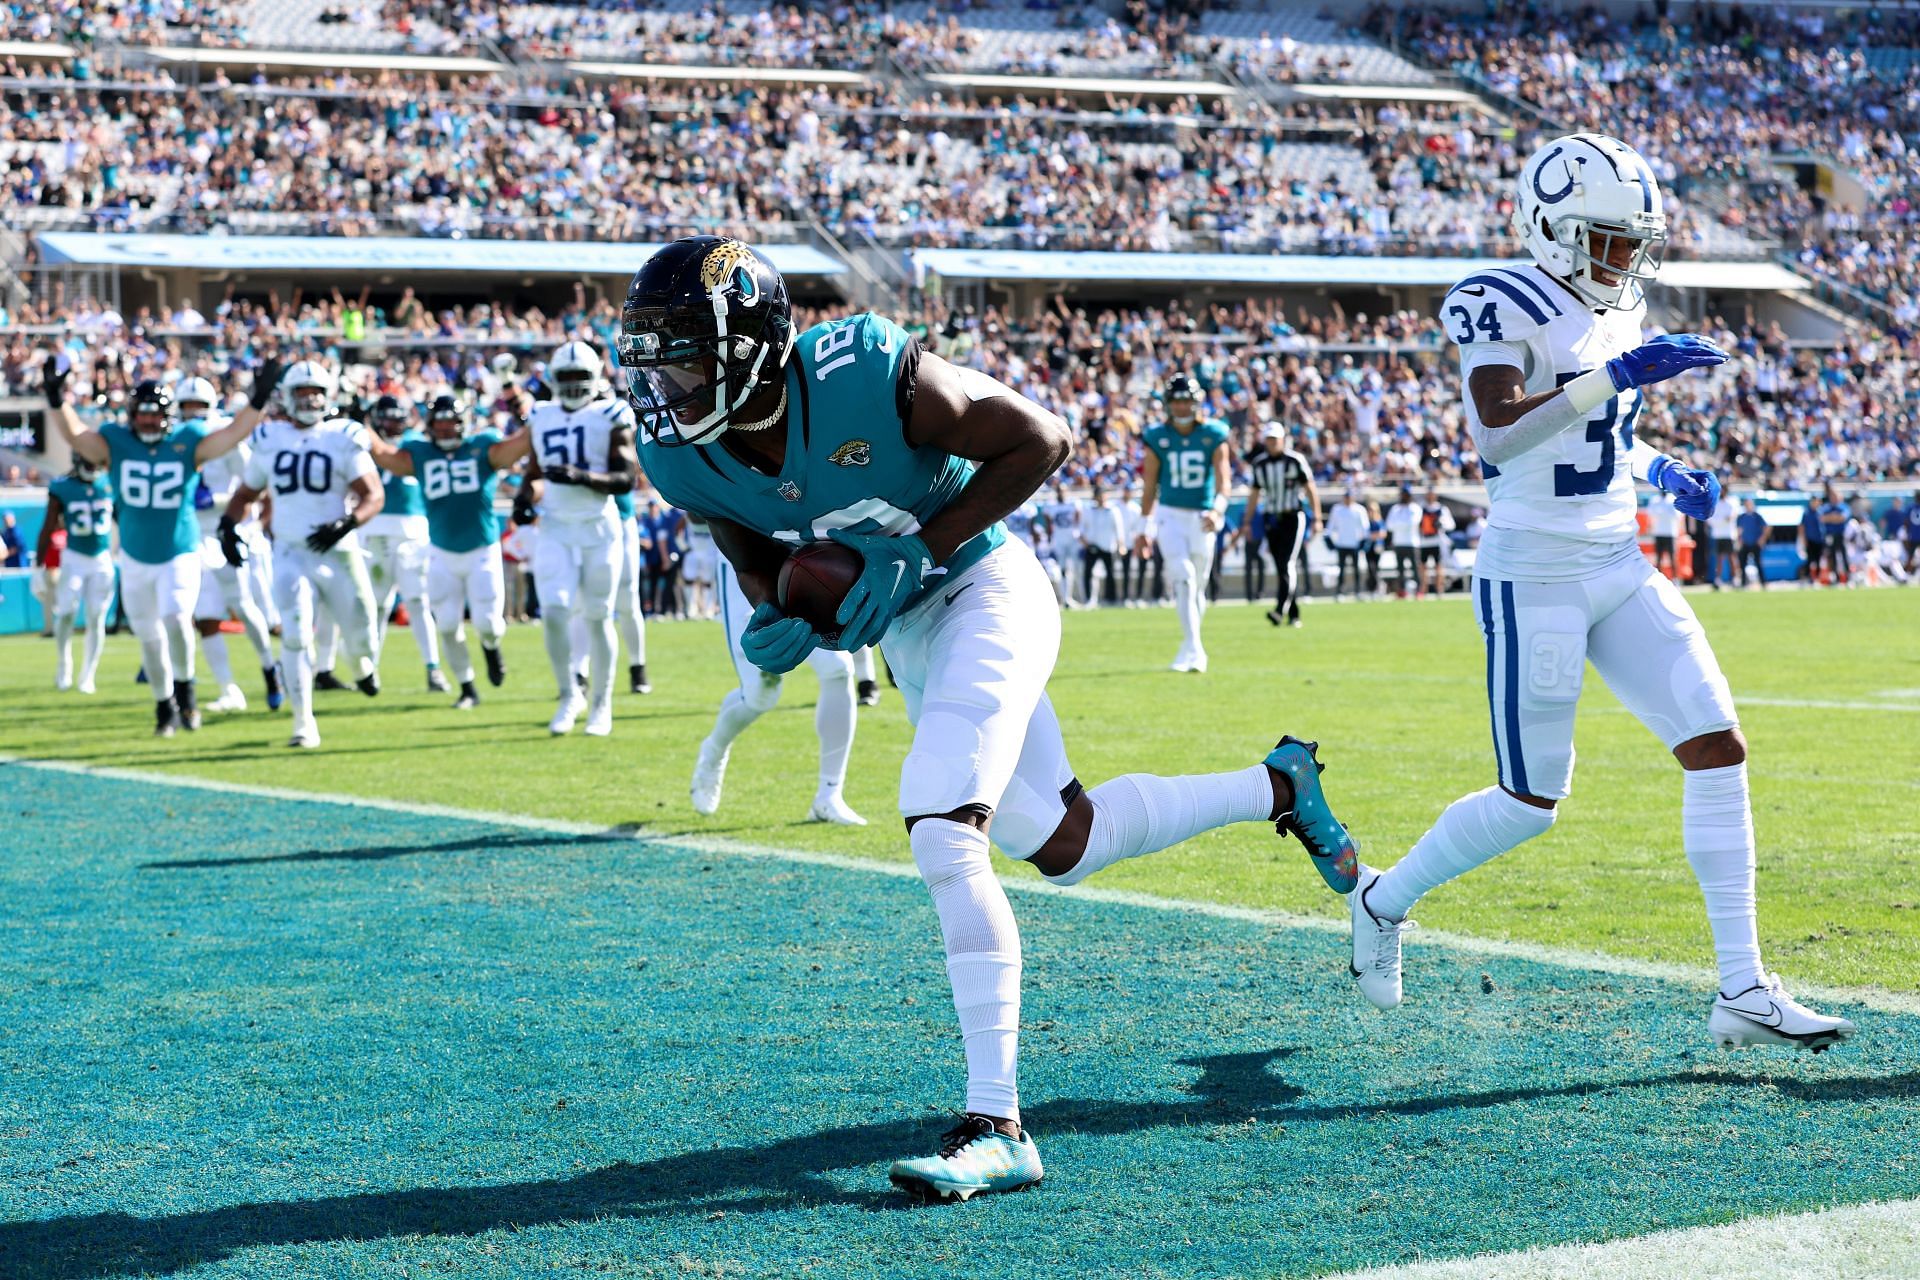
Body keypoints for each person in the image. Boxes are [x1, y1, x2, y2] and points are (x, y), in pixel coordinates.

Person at [620, 236, 1358, 1202]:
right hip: (912, 633)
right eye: (656, 359)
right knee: (1060, 839)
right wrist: (778, 613)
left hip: (980, 585)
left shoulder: (864, 371)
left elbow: (1041, 438)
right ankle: (1279, 784)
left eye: (684, 355)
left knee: (941, 823)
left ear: (752, 345)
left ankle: (997, 1122)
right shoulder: (680, 453)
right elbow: (749, 539)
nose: (667, 384)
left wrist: (921, 546)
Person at [1348, 134, 1854, 1052]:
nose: (1626, 259)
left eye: (1634, 241)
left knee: (1718, 745)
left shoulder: (1619, 307)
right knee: (1530, 803)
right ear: (1549, 230)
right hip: (1533, 573)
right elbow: (1500, 434)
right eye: (1608, 240)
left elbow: (1602, 439)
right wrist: (1614, 375)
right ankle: (1383, 900)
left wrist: (1663, 470)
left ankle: (1742, 986)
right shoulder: (1496, 300)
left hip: (1618, 561)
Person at [46, 358, 258, 736]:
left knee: (177, 619)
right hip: (134, 556)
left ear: (168, 416)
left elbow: (232, 436)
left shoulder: (188, 440)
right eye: (142, 413)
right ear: (131, 415)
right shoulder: (116, 442)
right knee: (148, 635)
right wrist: (54, 398)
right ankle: (164, 706)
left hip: (179, 550)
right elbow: (76, 435)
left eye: (155, 413)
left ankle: (186, 691)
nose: (147, 421)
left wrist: (259, 400)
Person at [222, 360, 386, 749]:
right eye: (302, 392)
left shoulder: (343, 435)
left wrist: (347, 523)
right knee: (295, 634)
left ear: (328, 396)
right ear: (288, 397)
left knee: (364, 637)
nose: (310, 399)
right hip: (291, 552)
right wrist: (228, 524)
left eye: (316, 391)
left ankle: (361, 666)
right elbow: (246, 494)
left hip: (339, 553)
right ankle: (303, 722)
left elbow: (373, 494)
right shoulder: (269, 438)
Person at [690, 532, 868, 827]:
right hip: (743, 558)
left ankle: (829, 794)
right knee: (761, 694)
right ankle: (714, 750)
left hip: (800, 549)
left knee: (838, 667)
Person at [367, 393, 529, 709]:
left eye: (450, 424)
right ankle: (467, 687)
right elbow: (384, 455)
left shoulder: (483, 446)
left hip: (482, 550)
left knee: (487, 624)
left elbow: (516, 448)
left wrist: (530, 418)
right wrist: (362, 426)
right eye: (439, 425)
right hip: (441, 552)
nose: (445, 431)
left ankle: (491, 648)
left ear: (463, 422)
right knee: (447, 626)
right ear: (430, 426)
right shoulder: (421, 453)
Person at [521, 339, 636, 737]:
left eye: (579, 377)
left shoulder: (610, 413)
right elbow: (534, 471)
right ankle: (569, 692)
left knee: (599, 614)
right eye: (565, 377)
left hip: (598, 528)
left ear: (595, 378)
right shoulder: (541, 415)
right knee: (553, 614)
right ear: (552, 380)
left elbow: (626, 480)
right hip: (554, 525)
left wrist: (581, 477)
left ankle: (602, 702)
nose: (572, 385)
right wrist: (524, 496)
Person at [179, 375, 281, 712]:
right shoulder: (175, 440)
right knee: (205, 616)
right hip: (194, 535)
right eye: (186, 407)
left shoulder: (226, 438)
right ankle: (228, 689)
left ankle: (269, 668)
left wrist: (218, 500)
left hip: (228, 530)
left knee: (244, 607)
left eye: (198, 407)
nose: (192, 414)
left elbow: (254, 487)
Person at [1136, 373, 1231, 672]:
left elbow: (1224, 482)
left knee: (1197, 587)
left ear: (1196, 402)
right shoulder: (1156, 435)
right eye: (1176, 401)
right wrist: (1143, 528)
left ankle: (1188, 647)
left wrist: (1218, 510)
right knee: (1184, 577)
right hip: (1170, 515)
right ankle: (1197, 651)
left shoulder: (1214, 433)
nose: (1181, 406)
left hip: (1203, 516)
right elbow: (1149, 486)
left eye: (1186, 400)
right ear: (1167, 404)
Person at [362, 394, 445, 691]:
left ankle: (433, 667)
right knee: (378, 605)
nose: (394, 423)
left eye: (398, 417)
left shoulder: (414, 443)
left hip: (412, 533)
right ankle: (369, 669)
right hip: (375, 531)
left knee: (418, 602)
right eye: (388, 418)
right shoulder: (362, 442)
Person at [38, 456, 114, 694]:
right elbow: (49, 525)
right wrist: (38, 565)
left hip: (102, 559)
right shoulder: (62, 487)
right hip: (74, 557)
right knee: (67, 614)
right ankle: (64, 666)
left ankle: (88, 675)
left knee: (96, 618)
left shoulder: (111, 483)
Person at [1244, 421, 1315, 627]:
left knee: (1287, 563)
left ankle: (1279, 610)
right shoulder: (1260, 464)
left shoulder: (1295, 460)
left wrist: (1317, 517)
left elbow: (1310, 488)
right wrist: (1248, 521)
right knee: (1281, 566)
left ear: (1282, 440)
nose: (1271, 443)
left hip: (1292, 516)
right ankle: (1294, 614)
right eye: (1268, 439)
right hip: (1272, 517)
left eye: (1274, 439)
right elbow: (1254, 494)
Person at [1081, 481, 1126, 605]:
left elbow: (1119, 529)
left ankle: (1111, 599)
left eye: (1102, 495)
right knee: (1088, 573)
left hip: (1107, 547)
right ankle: (1089, 599)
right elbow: (1081, 529)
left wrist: (1121, 545)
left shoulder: (1112, 510)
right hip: (1092, 547)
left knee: (1110, 574)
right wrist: (1086, 543)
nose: (1101, 498)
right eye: (1098, 495)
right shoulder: (1089, 510)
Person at [1417, 488, 1456, 596]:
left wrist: (1441, 524)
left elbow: (1451, 525)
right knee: (1422, 567)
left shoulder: (1442, 509)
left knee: (1439, 566)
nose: (1430, 497)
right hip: (1423, 542)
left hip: (1437, 542)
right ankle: (1423, 590)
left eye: (1432, 494)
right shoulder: (1421, 508)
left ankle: (1439, 590)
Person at [1383, 486, 1419, 595]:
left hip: (1412, 543)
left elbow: (1412, 523)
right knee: (1400, 570)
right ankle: (1401, 591)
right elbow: (1389, 525)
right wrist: (1402, 524)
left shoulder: (1415, 508)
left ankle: (1418, 590)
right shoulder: (1395, 509)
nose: (1405, 497)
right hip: (1398, 543)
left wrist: (1398, 524)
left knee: (1415, 568)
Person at [1706, 481, 1738, 590]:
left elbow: (1730, 517)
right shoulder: (1715, 503)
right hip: (1718, 535)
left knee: (1731, 557)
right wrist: (1721, 520)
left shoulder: (1732, 502)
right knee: (1719, 558)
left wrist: (1719, 521)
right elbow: (1710, 519)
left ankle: (1735, 578)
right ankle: (1718, 579)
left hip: (1729, 535)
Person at [1736, 497, 1768, 588]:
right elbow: (1739, 530)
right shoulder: (1741, 517)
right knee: (1742, 564)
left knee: (1758, 564)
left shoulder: (1757, 516)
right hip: (1745, 543)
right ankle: (1743, 583)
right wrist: (1740, 539)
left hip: (1755, 543)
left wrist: (1762, 539)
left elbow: (1766, 528)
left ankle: (1763, 583)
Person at [1647, 490, 1680, 578]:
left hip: (1670, 533)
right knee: (1658, 558)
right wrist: (1664, 513)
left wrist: (1662, 513)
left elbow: (1677, 515)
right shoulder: (1655, 500)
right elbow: (1651, 513)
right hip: (1658, 532)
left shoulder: (1673, 499)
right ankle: (1658, 579)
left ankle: (1675, 579)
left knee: (1672, 558)